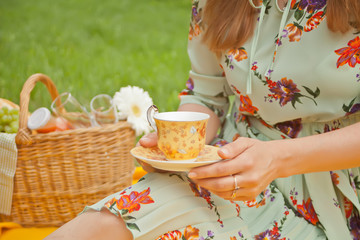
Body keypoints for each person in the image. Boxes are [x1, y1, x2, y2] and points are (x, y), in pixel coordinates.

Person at [45, 0, 360, 239]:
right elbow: (207, 95)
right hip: (229, 167)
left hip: (340, 186)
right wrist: (178, 142)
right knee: (109, 224)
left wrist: (277, 159)